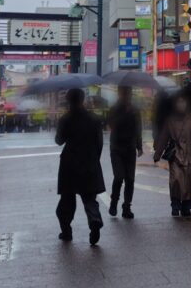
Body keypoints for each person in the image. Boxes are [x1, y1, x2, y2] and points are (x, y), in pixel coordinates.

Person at [54, 88, 104, 244]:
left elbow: (59, 141)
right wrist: (94, 159)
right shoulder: (94, 119)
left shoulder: (65, 119)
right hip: (89, 162)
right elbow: (99, 144)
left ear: (68, 101)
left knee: (67, 201)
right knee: (89, 198)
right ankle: (94, 219)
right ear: (83, 100)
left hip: (70, 164)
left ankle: (66, 231)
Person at [153, 96, 191, 217]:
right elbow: (164, 137)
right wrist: (157, 154)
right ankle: (175, 205)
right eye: (179, 103)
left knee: (189, 183)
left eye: (183, 102)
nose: (181, 105)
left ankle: (186, 207)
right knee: (176, 182)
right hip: (176, 156)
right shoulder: (170, 120)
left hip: (190, 156)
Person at [106, 85, 143, 218]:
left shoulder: (135, 110)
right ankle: (114, 203)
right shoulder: (114, 109)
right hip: (116, 148)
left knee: (130, 179)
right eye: (124, 93)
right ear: (120, 94)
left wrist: (139, 146)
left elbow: (138, 128)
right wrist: (124, 114)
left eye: (129, 94)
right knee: (119, 176)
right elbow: (111, 125)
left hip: (130, 148)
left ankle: (127, 206)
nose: (127, 96)